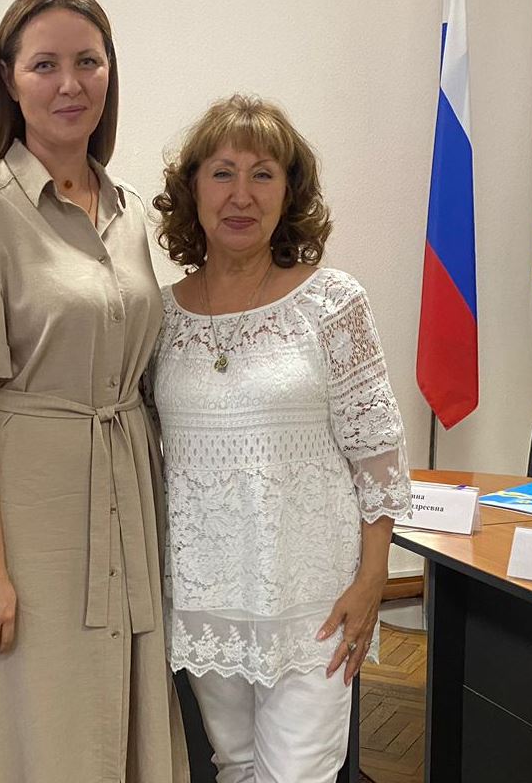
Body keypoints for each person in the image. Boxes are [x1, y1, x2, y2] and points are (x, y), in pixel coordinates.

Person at [0, 0, 189, 783]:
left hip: (126, 491)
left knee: (119, 715)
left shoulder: (129, 213)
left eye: (88, 62)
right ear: (9, 78)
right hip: (31, 511)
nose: (70, 84)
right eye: (45, 65)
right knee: (36, 720)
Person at [149, 94, 411, 783]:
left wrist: (373, 580)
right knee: (234, 766)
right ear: (193, 189)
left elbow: (378, 454)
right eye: (223, 173)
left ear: (289, 191)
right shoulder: (160, 317)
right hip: (205, 596)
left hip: (313, 600)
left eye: (263, 174)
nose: (242, 195)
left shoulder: (333, 303)